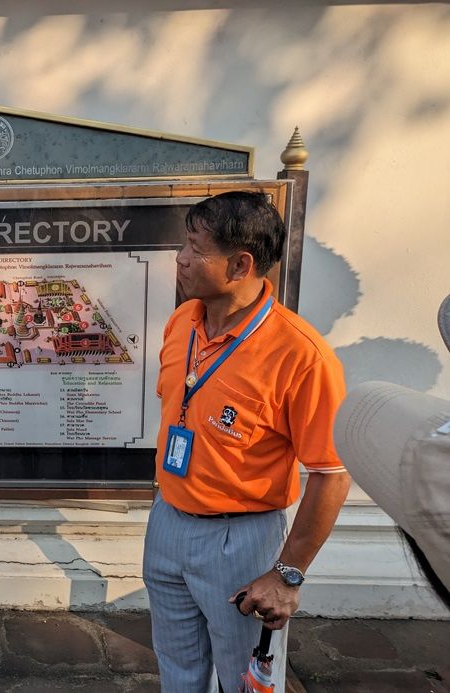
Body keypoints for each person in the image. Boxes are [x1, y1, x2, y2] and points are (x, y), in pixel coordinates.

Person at [143, 191, 352, 692]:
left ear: (240, 265)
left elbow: (331, 475)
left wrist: (286, 575)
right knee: (176, 668)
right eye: (184, 245)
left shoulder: (301, 356)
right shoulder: (182, 322)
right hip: (168, 520)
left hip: (241, 541)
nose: (181, 259)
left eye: (195, 249)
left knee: (246, 679)